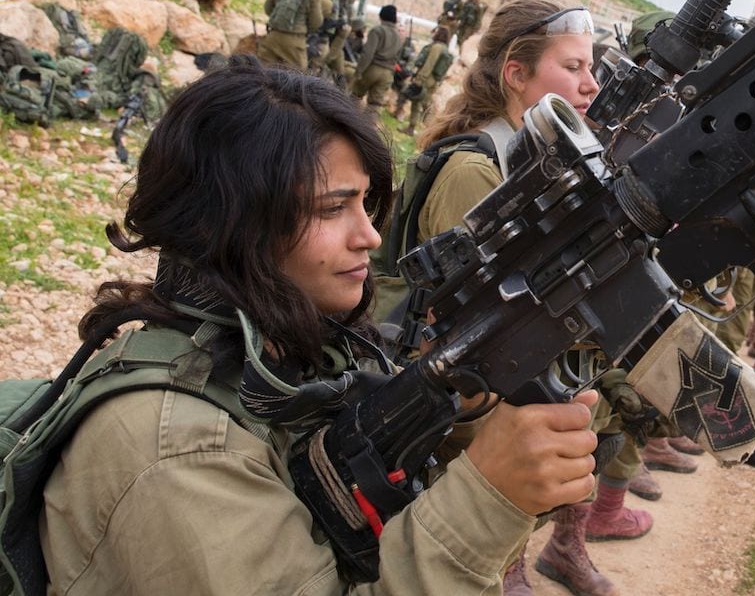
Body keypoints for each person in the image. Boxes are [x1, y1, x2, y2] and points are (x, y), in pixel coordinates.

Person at [39, 63, 599, 594]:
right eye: (333, 209)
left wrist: (453, 405)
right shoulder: (178, 452)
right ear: (236, 226)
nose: (370, 237)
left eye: (364, 204)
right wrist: (486, 497)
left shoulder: (281, 349)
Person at [416, 0, 637, 596]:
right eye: (572, 68)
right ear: (516, 73)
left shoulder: (529, 156)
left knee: (605, 400)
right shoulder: (475, 170)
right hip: (445, 381)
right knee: (554, 414)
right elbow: (465, 320)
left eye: (590, 68)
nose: (591, 83)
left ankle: (552, 551)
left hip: (488, 360)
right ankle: (497, 566)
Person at [349, 4, 406, 115]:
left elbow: (368, 53)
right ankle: (367, 128)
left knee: (355, 96)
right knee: (375, 104)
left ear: (381, 16)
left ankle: (347, 121)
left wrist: (359, 71)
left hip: (372, 68)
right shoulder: (399, 36)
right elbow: (398, 57)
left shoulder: (377, 31)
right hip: (388, 73)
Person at [398, 26, 453, 134]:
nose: (433, 33)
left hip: (426, 80)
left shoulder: (436, 47)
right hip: (433, 81)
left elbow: (429, 64)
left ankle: (412, 128)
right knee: (424, 105)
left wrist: (419, 79)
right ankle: (426, 130)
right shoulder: (445, 49)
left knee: (417, 103)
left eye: (435, 32)